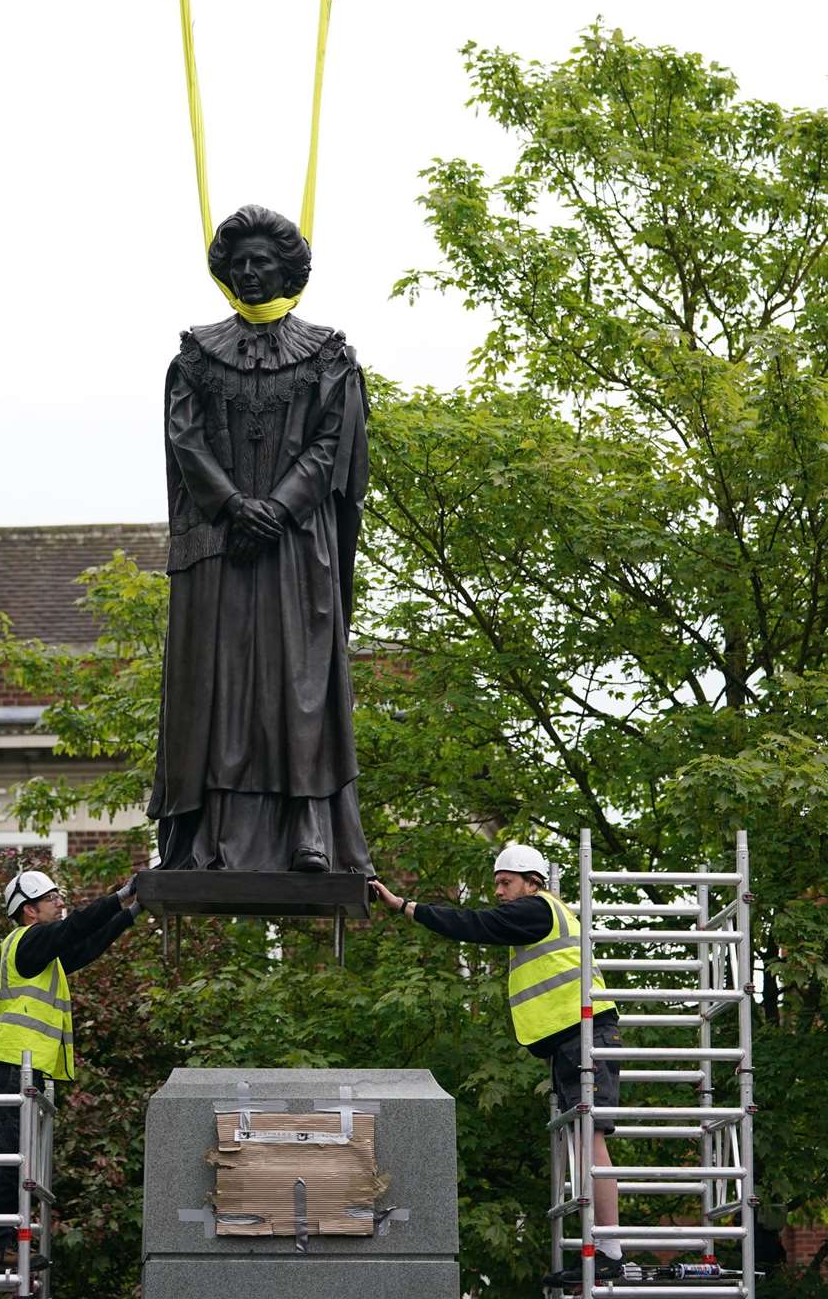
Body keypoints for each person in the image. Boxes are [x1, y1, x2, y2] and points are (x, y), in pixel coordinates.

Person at [149, 204, 372, 875]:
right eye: (237, 261)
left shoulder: (329, 355)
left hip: (296, 551)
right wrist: (232, 508)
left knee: (297, 688)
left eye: (262, 261)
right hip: (219, 550)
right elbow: (183, 439)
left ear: (288, 271)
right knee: (213, 691)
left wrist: (274, 509)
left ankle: (309, 830)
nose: (248, 271)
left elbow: (333, 445)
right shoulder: (194, 355)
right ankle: (206, 839)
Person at [371, 844, 625, 1286]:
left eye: (506, 882)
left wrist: (406, 907)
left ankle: (610, 1252)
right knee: (582, 1142)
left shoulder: (536, 910)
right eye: (497, 884)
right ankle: (601, 1250)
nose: (500, 892)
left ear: (532, 881)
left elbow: (474, 924)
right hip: (571, 1038)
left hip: (584, 1035)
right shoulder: (542, 913)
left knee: (591, 1140)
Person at [0, 868, 139, 1272]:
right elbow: (76, 927)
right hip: (14, 1063)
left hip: (23, 1067)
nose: (59, 903)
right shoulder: (28, 941)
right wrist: (120, 896)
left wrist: (130, 913)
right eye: (51, 898)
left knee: (17, 1158)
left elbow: (84, 947)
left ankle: (4, 1243)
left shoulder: (41, 954)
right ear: (29, 911)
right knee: (6, 1157)